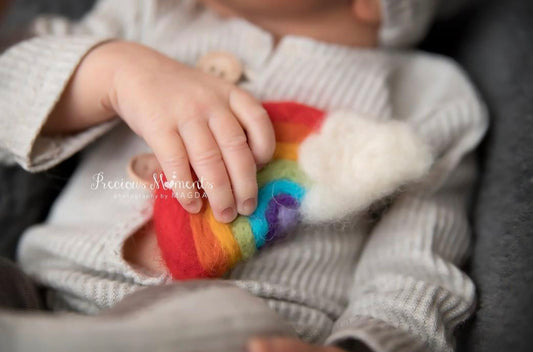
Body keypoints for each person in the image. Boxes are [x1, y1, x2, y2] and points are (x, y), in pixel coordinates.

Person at [0, 0, 488, 351]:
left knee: (236, 319)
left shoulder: (426, 97)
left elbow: (418, 265)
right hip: (40, 289)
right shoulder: (146, 15)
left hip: (245, 327)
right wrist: (112, 74)